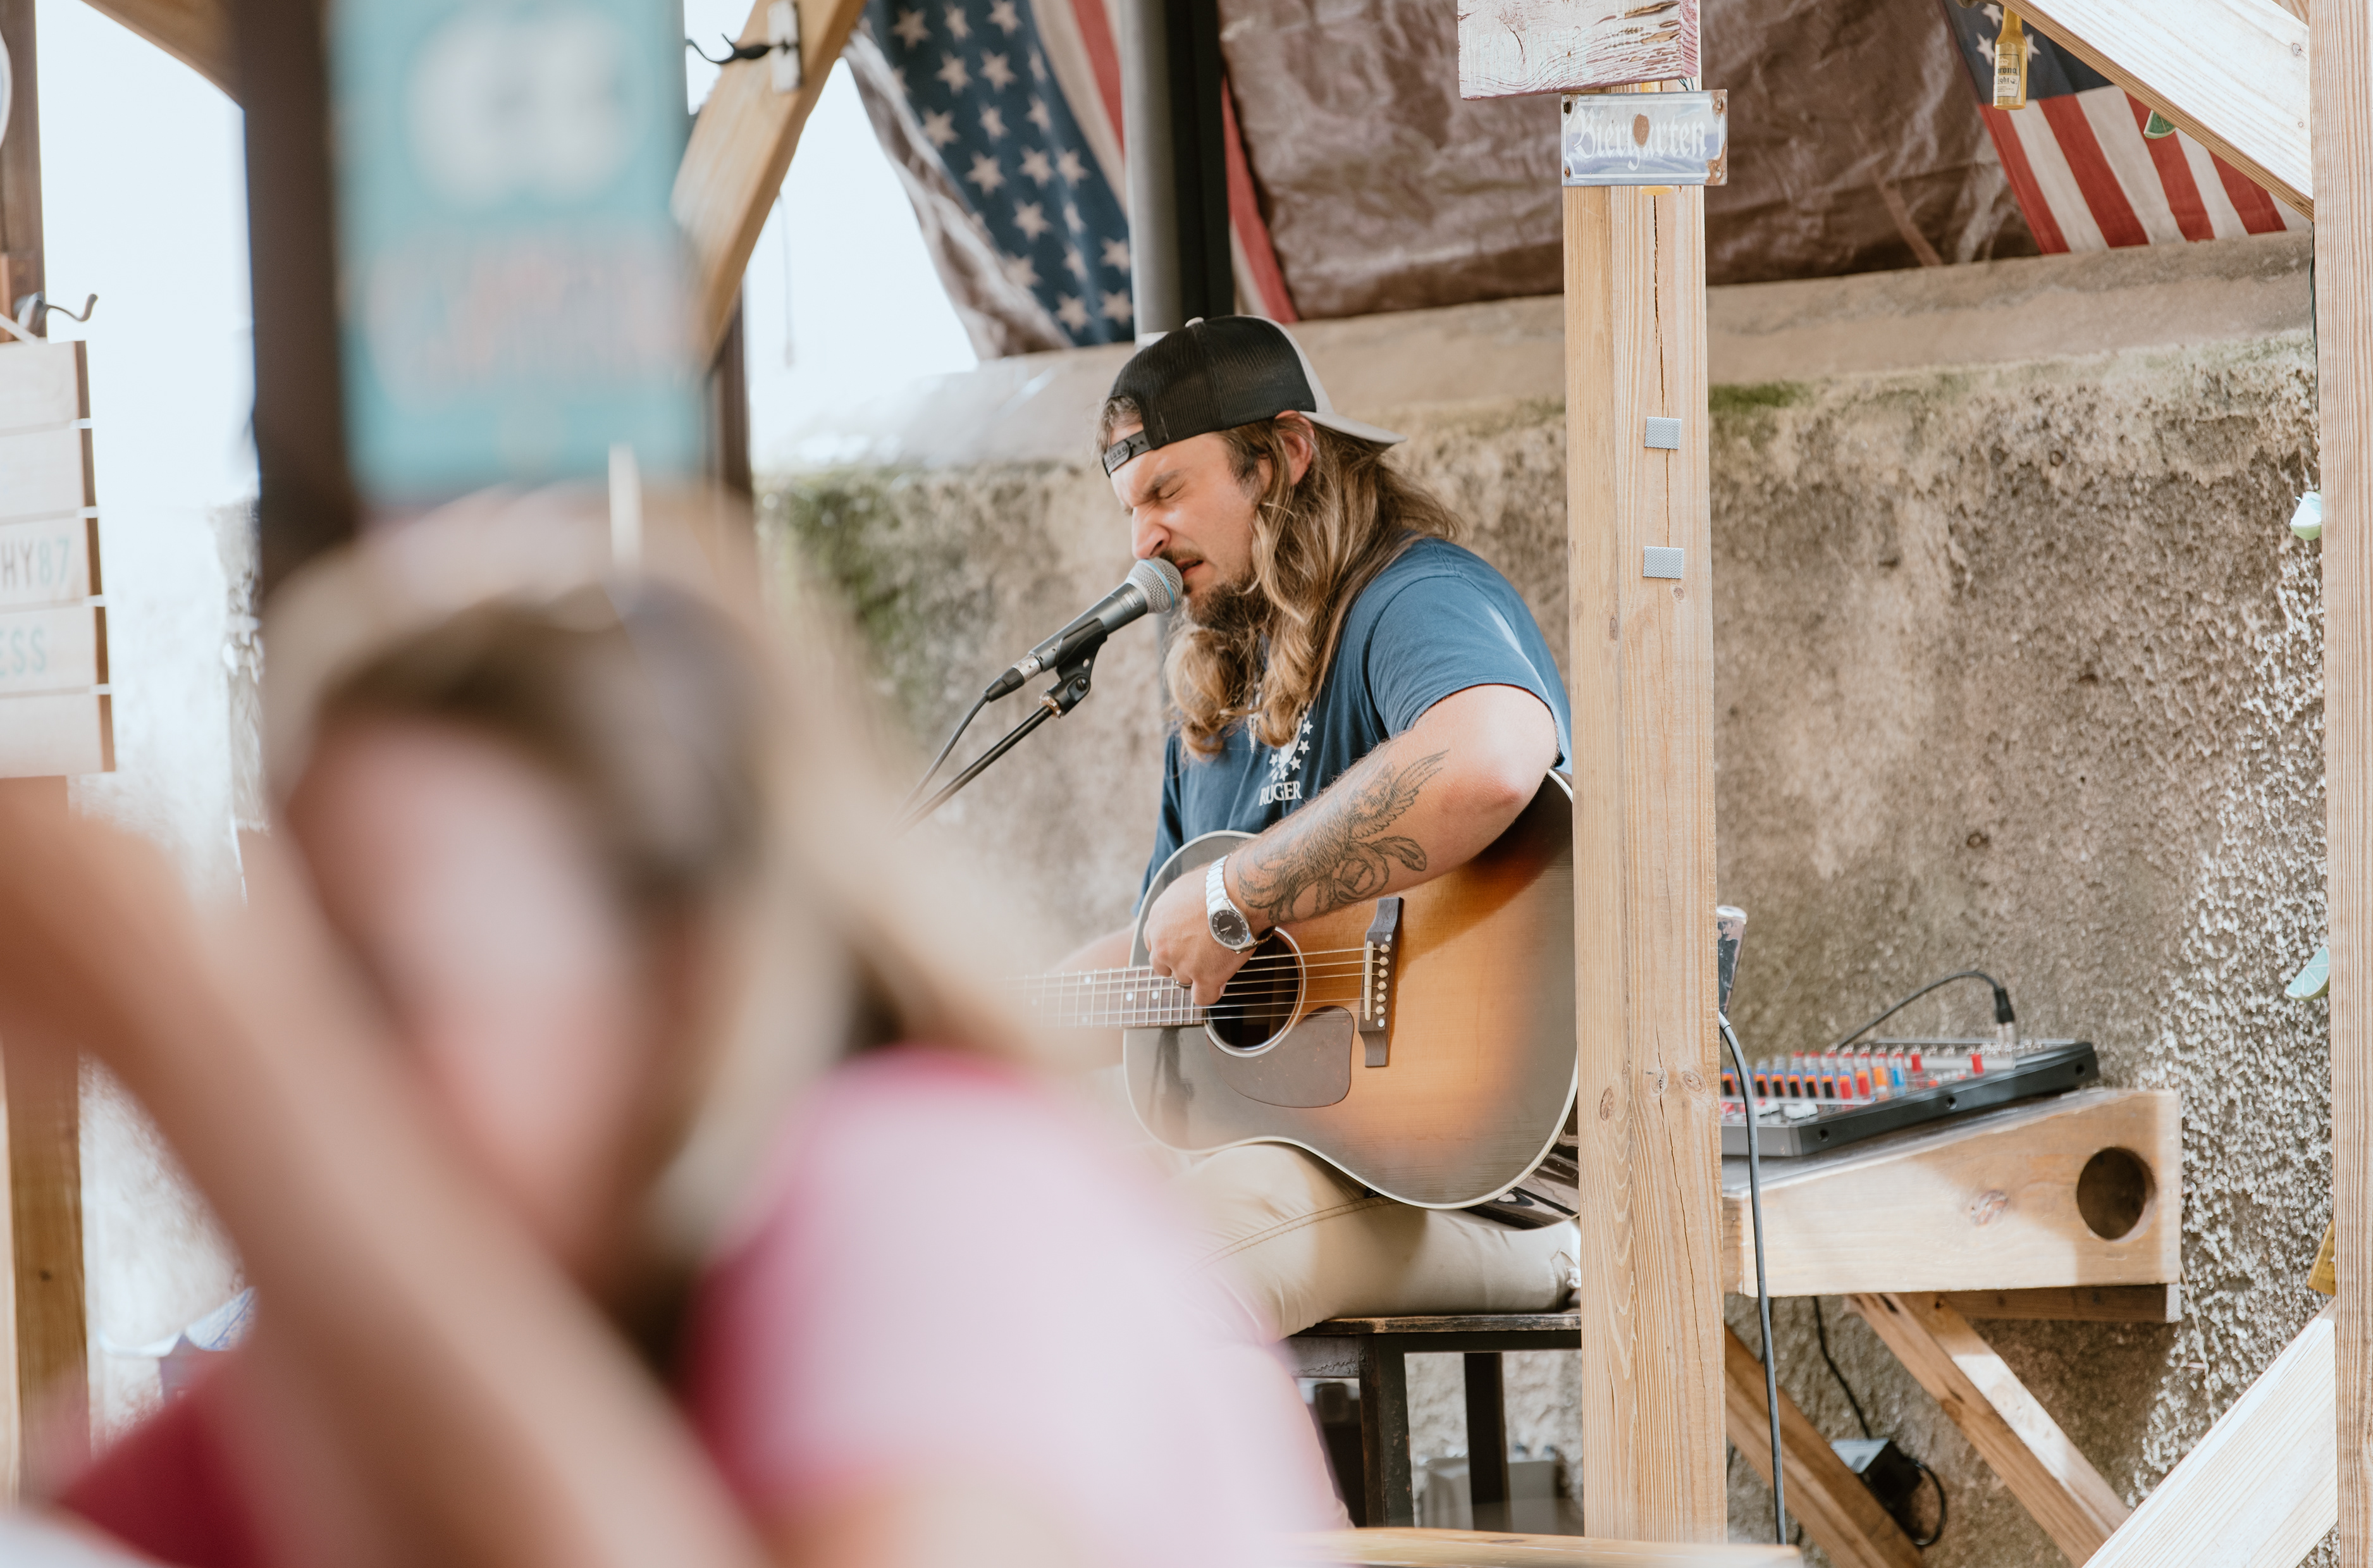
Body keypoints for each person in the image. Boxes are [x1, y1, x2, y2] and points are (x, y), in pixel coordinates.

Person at [3, 495, 1327, 1568]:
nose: (316, 1069)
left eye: (391, 989)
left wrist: (200, 1060)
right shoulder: (480, 1308)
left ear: (682, 985)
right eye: (295, 984)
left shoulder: (924, 1185)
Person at [1059, 316, 1584, 1355]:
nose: (1143, 542)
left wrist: (1238, 896)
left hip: (1506, 1183)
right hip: (1321, 1150)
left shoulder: (1413, 598)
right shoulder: (1211, 714)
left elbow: (1490, 756)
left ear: (1285, 456)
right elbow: (1156, 967)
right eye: (1130, 509)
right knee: (1012, 1195)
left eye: (1167, 492)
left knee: (1165, 1277)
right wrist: (941, 1021)